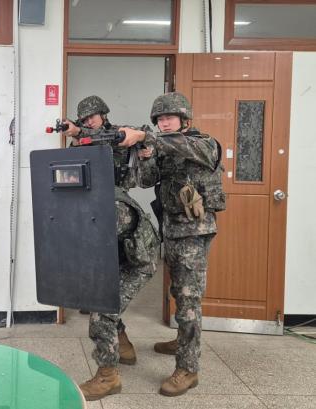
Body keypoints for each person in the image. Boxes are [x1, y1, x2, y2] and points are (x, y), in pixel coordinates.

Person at [118, 92, 225, 397]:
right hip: (172, 229)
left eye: (168, 117)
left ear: (184, 119)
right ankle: (182, 341)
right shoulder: (161, 146)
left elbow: (184, 146)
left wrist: (147, 136)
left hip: (194, 231)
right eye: (159, 119)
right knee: (178, 291)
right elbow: (144, 181)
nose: (163, 123)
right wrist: (143, 153)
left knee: (189, 300)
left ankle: (188, 369)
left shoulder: (203, 143)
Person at [62, 96, 160, 401]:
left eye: (92, 117)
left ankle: (108, 376)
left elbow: (145, 175)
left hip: (137, 256)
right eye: (84, 119)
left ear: (104, 115)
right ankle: (125, 347)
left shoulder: (123, 137)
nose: (89, 122)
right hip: (121, 243)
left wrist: (143, 145)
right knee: (105, 297)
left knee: (103, 308)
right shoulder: (81, 146)